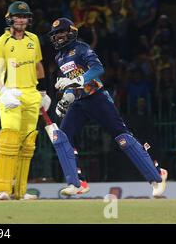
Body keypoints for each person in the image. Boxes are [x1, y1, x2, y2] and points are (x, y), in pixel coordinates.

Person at [48, 17, 167, 197]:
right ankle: (77, 183)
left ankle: (157, 176)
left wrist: (75, 80)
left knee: (123, 139)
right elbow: (72, 86)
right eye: (55, 34)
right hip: (80, 103)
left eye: (62, 32)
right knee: (60, 136)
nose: (58, 37)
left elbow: (97, 69)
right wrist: (66, 99)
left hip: (97, 98)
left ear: (72, 32)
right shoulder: (59, 57)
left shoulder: (81, 48)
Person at [0, 1, 51, 200]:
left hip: (31, 95)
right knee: (9, 140)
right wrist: (4, 91)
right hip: (10, 96)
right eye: (18, 16)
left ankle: (20, 191)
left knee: (27, 143)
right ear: (10, 19)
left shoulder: (33, 39)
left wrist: (43, 92)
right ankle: (2, 190)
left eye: (24, 16)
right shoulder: (2, 42)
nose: (21, 20)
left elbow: (39, 67)